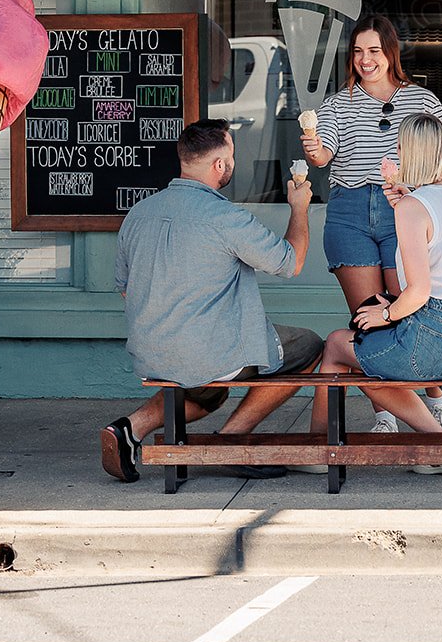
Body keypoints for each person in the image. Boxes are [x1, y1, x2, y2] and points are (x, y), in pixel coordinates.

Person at [101, 118, 322, 483]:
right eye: (232, 155)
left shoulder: (139, 214)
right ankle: (232, 441)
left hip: (150, 352)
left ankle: (129, 428)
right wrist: (299, 207)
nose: (233, 163)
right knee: (310, 345)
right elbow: (290, 262)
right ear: (220, 165)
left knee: (208, 393)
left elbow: (126, 288)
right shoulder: (226, 217)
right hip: (207, 355)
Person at [299, 14, 442, 435]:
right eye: (357, 52)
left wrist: (416, 190)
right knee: (368, 318)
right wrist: (314, 146)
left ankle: (437, 402)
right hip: (350, 210)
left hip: (401, 208)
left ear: (390, 53)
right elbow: (322, 158)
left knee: (406, 312)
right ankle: (384, 416)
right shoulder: (337, 103)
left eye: (373, 51)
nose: (365, 60)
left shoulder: (423, 100)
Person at [307, 110, 442, 475]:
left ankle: (436, 444)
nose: (397, 153)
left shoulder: (413, 208)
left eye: (400, 147)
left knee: (337, 346)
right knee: (366, 343)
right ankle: (436, 442)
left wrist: (386, 314)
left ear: (412, 152)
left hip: (436, 344)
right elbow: (441, 243)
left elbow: (420, 290)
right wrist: (405, 204)